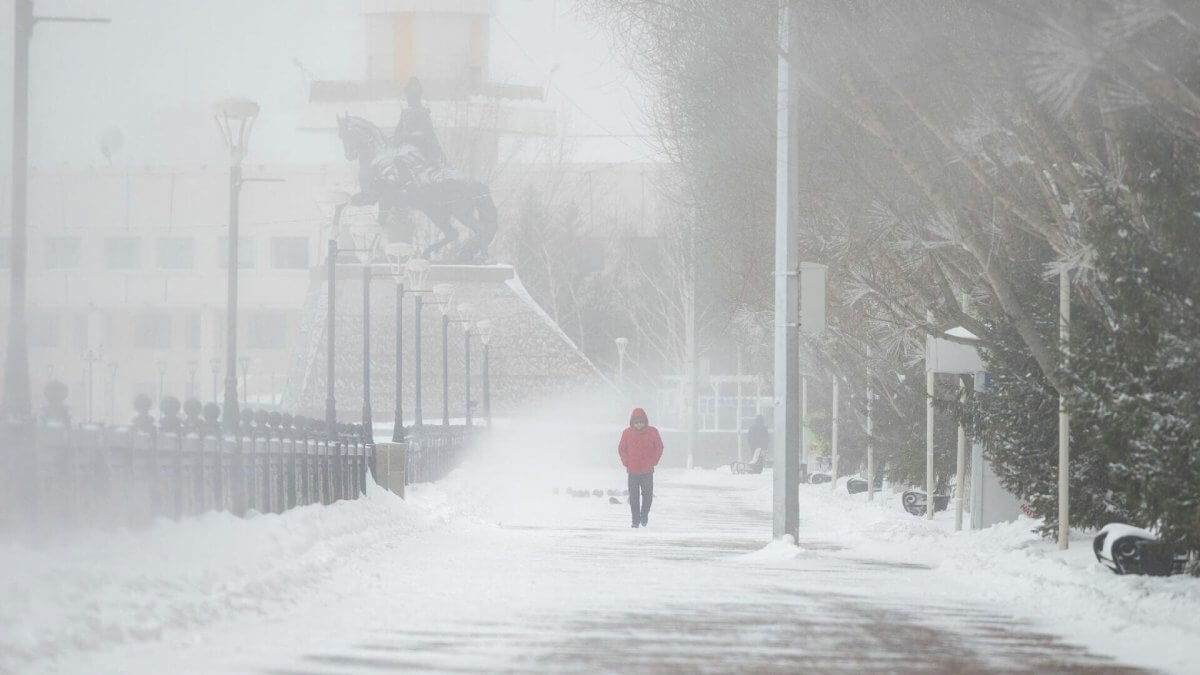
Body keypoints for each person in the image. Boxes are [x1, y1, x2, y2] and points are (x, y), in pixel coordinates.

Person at [617, 407, 664, 528]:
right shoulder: (627, 433)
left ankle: (644, 515)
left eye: (641, 422)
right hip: (633, 470)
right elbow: (622, 449)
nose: (639, 425)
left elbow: (659, 447)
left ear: (645, 422)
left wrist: (654, 461)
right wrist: (626, 461)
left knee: (648, 495)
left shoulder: (653, 432)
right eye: (636, 422)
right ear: (632, 422)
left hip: (647, 470)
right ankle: (635, 520)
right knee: (633, 497)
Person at [393, 77, 446, 167]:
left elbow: (428, 135)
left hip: (420, 156)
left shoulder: (422, 114)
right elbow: (397, 133)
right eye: (408, 97)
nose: (408, 99)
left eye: (411, 97)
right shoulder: (406, 114)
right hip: (406, 154)